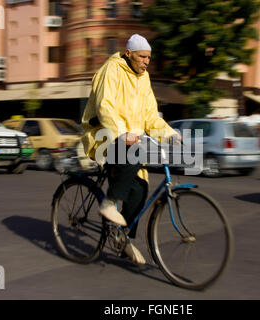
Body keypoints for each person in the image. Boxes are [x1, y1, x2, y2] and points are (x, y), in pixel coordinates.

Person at [81, 34, 180, 264]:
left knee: (141, 188)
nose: (146, 61)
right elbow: (105, 107)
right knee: (134, 157)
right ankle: (108, 203)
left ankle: (121, 238)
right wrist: (119, 132)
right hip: (103, 135)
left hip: (130, 141)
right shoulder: (111, 70)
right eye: (142, 56)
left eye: (149, 58)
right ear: (128, 54)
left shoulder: (144, 78)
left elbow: (149, 115)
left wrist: (169, 133)